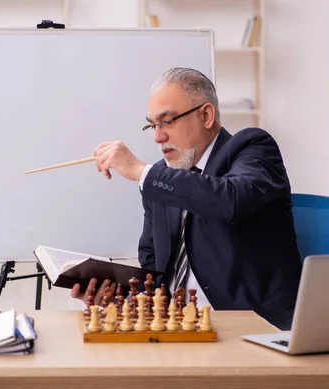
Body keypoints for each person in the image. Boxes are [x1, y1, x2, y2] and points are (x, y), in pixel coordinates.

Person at [71, 67, 302, 330]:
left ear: (206, 115)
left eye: (168, 121)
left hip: (251, 324)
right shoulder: (161, 177)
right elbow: (153, 266)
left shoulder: (252, 147)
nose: (158, 137)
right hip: (180, 326)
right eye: (152, 125)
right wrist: (118, 296)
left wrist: (141, 172)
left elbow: (231, 201)